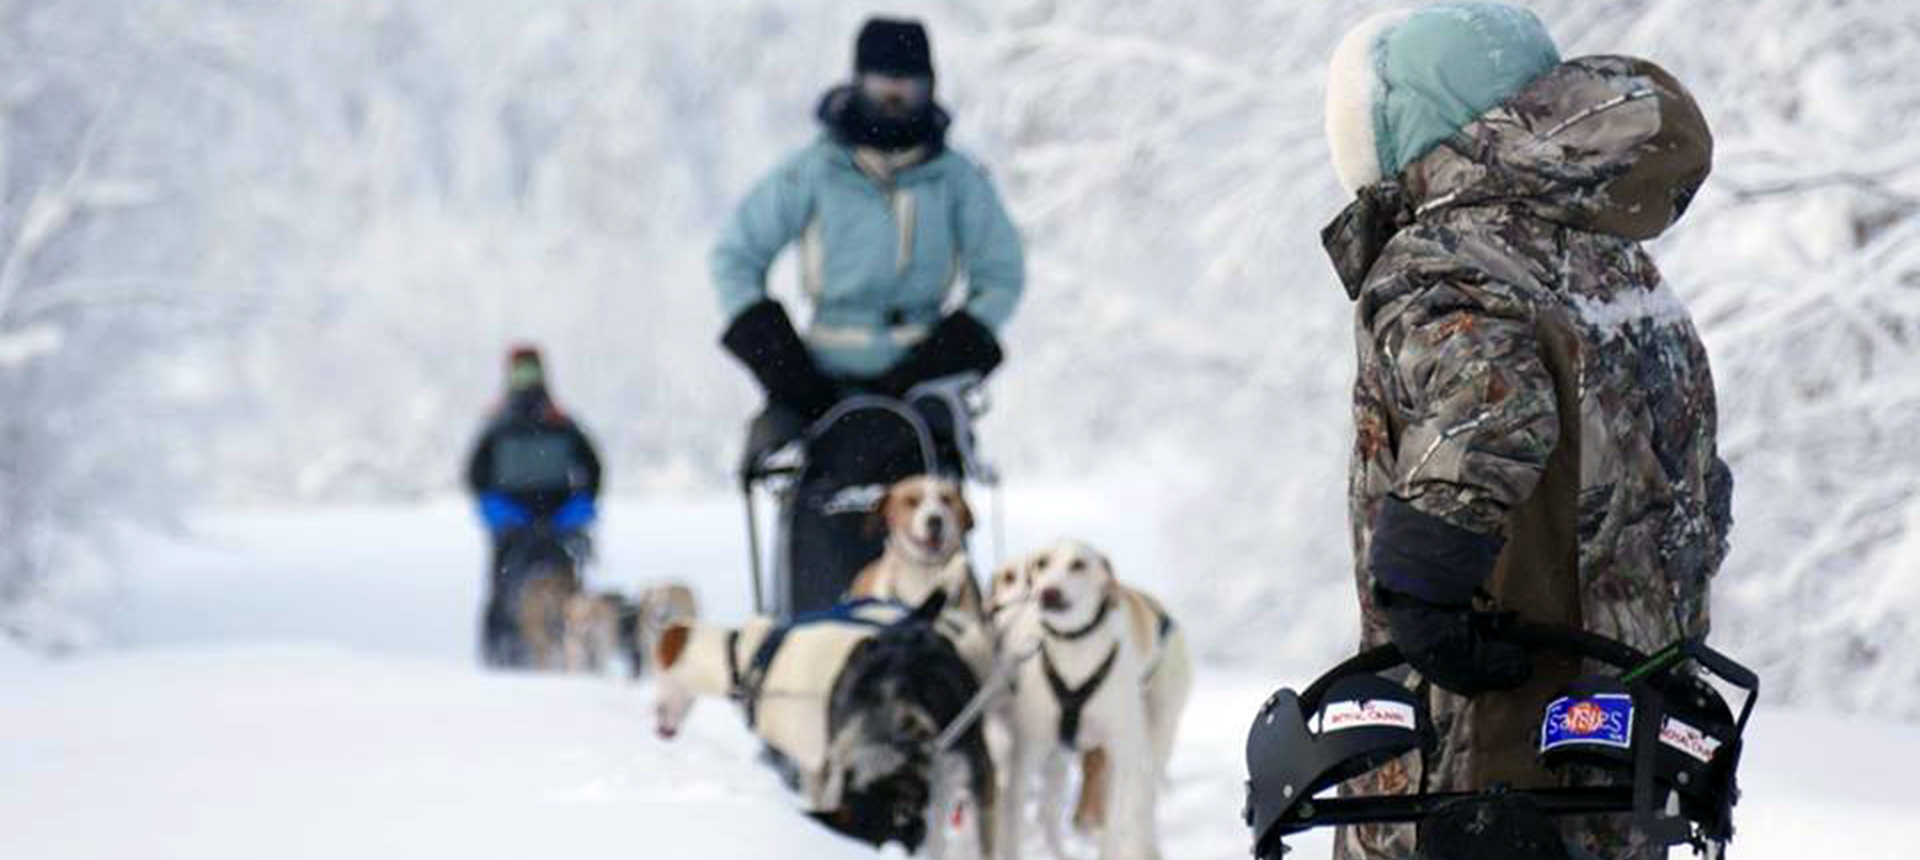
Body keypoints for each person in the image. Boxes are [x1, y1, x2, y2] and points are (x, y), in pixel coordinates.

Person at [1318, 4, 1734, 858]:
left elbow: (1490, 410)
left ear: (1419, 120)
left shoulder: (1446, 255)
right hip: (1618, 737)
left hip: (1490, 745)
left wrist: (1423, 590)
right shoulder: (1615, 263)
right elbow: (1697, 489)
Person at [711, 17, 1025, 614]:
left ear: (928, 87)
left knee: (932, 520)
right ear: (858, 81)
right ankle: (804, 634)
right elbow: (733, 256)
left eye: (906, 86)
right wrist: (781, 364)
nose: (893, 98)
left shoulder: (957, 179)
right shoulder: (812, 171)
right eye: (883, 82)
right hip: (819, 386)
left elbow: (1002, 274)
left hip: (922, 382)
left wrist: (950, 352)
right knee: (813, 522)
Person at [465, 346, 602, 665]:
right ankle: (502, 657)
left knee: (568, 590)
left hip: (559, 518)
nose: (527, 380)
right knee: (504, 590)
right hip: (512, 524)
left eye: (532, 372)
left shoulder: (562, 423)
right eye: (520, 373)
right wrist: (494, 508)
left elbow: (593, 468)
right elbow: (475, 474)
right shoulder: (497, 425)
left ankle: (575, 653)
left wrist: (581, 505)